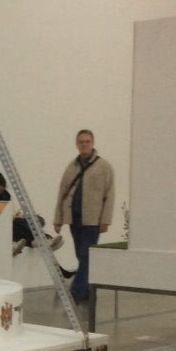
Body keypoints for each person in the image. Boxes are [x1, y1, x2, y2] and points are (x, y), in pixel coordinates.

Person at [54, 130, 115, 304]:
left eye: (87, 141)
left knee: (86, 255)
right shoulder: (71, 167)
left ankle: (75, 290)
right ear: (76, 144)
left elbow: (109, 195)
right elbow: (62, 192)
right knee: (81, 256)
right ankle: (87, 290)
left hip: (92, 220)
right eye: (81, 142)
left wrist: (105, 220)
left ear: (93, 143)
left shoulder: (104, 167)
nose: (84, 144)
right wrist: (58, 218)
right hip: (74, 219)